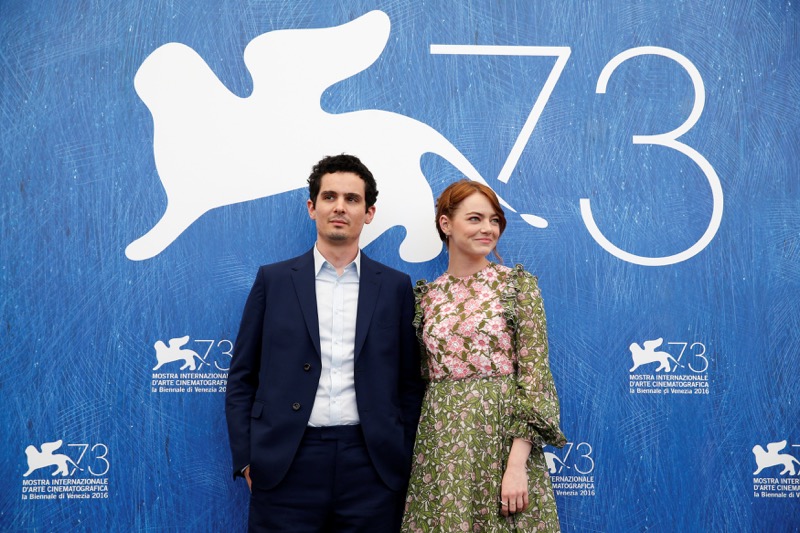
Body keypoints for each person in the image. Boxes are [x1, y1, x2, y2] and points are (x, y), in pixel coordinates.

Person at [225, 154, 424, 532]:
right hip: (286, 463)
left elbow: (409, 384)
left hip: (371, 465)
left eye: (352, 199)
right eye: (329, 196)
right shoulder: (274, 281)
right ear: (312, 207)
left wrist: (400, 454)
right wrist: (249, 459)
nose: (340, 207)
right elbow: (242, 377)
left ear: (369, 212)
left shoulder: (396, 286)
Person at [401, 180, 567, 532]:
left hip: (503, 443)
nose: (488, 228)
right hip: (442, 446)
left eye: (494, 220)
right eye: (475, 218)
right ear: (446, 224)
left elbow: (536, 379)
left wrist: (517, 465)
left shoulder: (517, 286)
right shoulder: (426, 298)